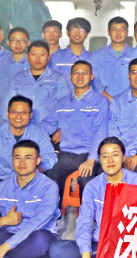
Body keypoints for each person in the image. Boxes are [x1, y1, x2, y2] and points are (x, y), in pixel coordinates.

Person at [49, 137, 137, 258]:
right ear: (99, 160)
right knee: (57, 251)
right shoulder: (93, 186)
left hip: (127, 243)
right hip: (100, 242)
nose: (110, 160)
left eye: (115, 155)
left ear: (123, 157)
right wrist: (86, 257)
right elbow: (85, 221)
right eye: (105, 156)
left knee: (135, 255)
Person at [43, 61, 110, 198]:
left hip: (90, 153)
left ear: (91, 77)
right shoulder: (62, 103)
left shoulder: (100, 102)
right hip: (67, 154)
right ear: (70, 76)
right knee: (49, 179)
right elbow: (47, 125)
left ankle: (89, 213)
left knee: (88, 183)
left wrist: (91, 159)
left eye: (84, 73)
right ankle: (56, 211)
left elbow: (101, 132)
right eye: (76, 73)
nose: (80, 77)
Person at [0, 96, 56, 193]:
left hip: (29, 181)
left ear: (31, 115)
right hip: (0, 180)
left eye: (23, 113)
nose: (18, 116)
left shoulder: (39, 133)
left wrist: (36, 171)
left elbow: (50, 157)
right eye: (14, 112)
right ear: (7, 114)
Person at [0, 40, 68, 132]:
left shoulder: (58, 79)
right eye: (34, 55)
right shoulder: (18, 78)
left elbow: (65, 107)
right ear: (27, 57)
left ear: (48, 57)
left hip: (49, 131)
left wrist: (60, 130)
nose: (38, 58)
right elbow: (8, 104)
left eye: (42, 55)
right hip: (22, 130)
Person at [0, 28, 31, 121]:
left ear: (28, 43)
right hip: (3, 118)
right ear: (8, 42)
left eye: (22, 40)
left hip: (28, 118)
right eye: (14, 40)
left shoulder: (35, 64)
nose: (18, 44)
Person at [89, 16, 135, 100]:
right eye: (114, 29)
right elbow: (94, 81)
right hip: (103, 101)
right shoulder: (97, 56)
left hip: (129, 102)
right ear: (108, 32)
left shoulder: (136, 55)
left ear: (127, 32)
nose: (118, 33)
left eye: (122, 29)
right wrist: (109, 98)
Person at [47, 17, 92, 84]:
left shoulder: (93, 58)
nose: (77, 33)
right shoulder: (55, 57)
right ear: (67, 33)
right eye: (73, 29)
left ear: (86, 34)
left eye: (81, 29)